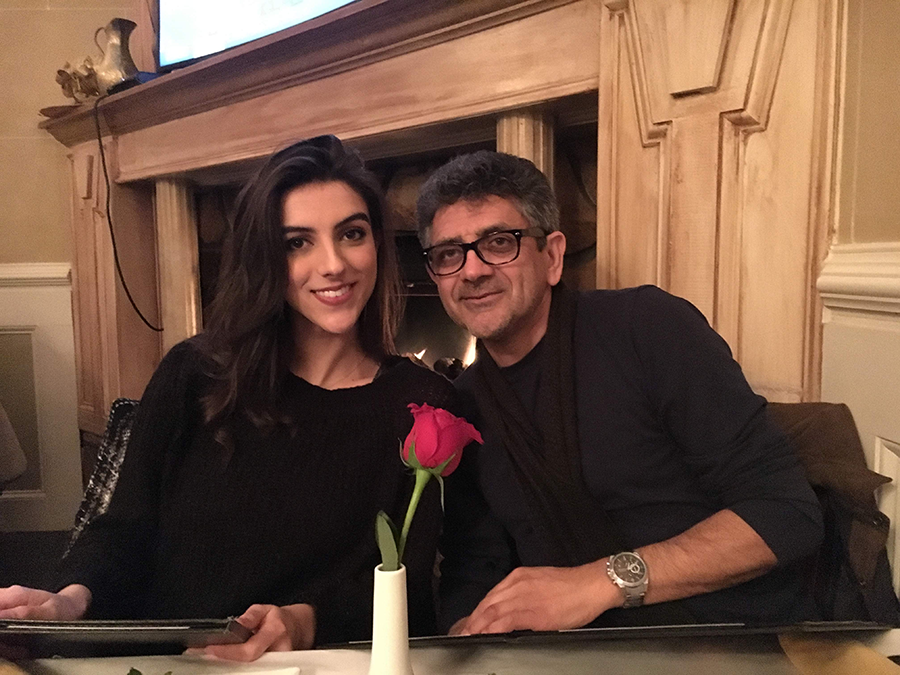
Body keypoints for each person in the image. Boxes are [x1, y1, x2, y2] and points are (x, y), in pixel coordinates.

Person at [0, 135, 458, 659]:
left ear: (377, 242)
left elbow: (414, 589)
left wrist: (307, 621)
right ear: (265, 257)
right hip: (164, 664)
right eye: (297, 242)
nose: (333, 264)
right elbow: (123, 531)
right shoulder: (194, 374)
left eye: (351, 234)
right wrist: (69, 602)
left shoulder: (424, 408)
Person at [416, 150, 825, 635]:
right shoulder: (461, 408)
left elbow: (785, 513)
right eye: (449, 254)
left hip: (733, 635)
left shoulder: (648, 328)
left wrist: (599, 583)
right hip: (571, 657)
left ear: (552, 256)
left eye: (500, 242)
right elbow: (473, 565)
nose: (472, 270)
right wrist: (466, 632)